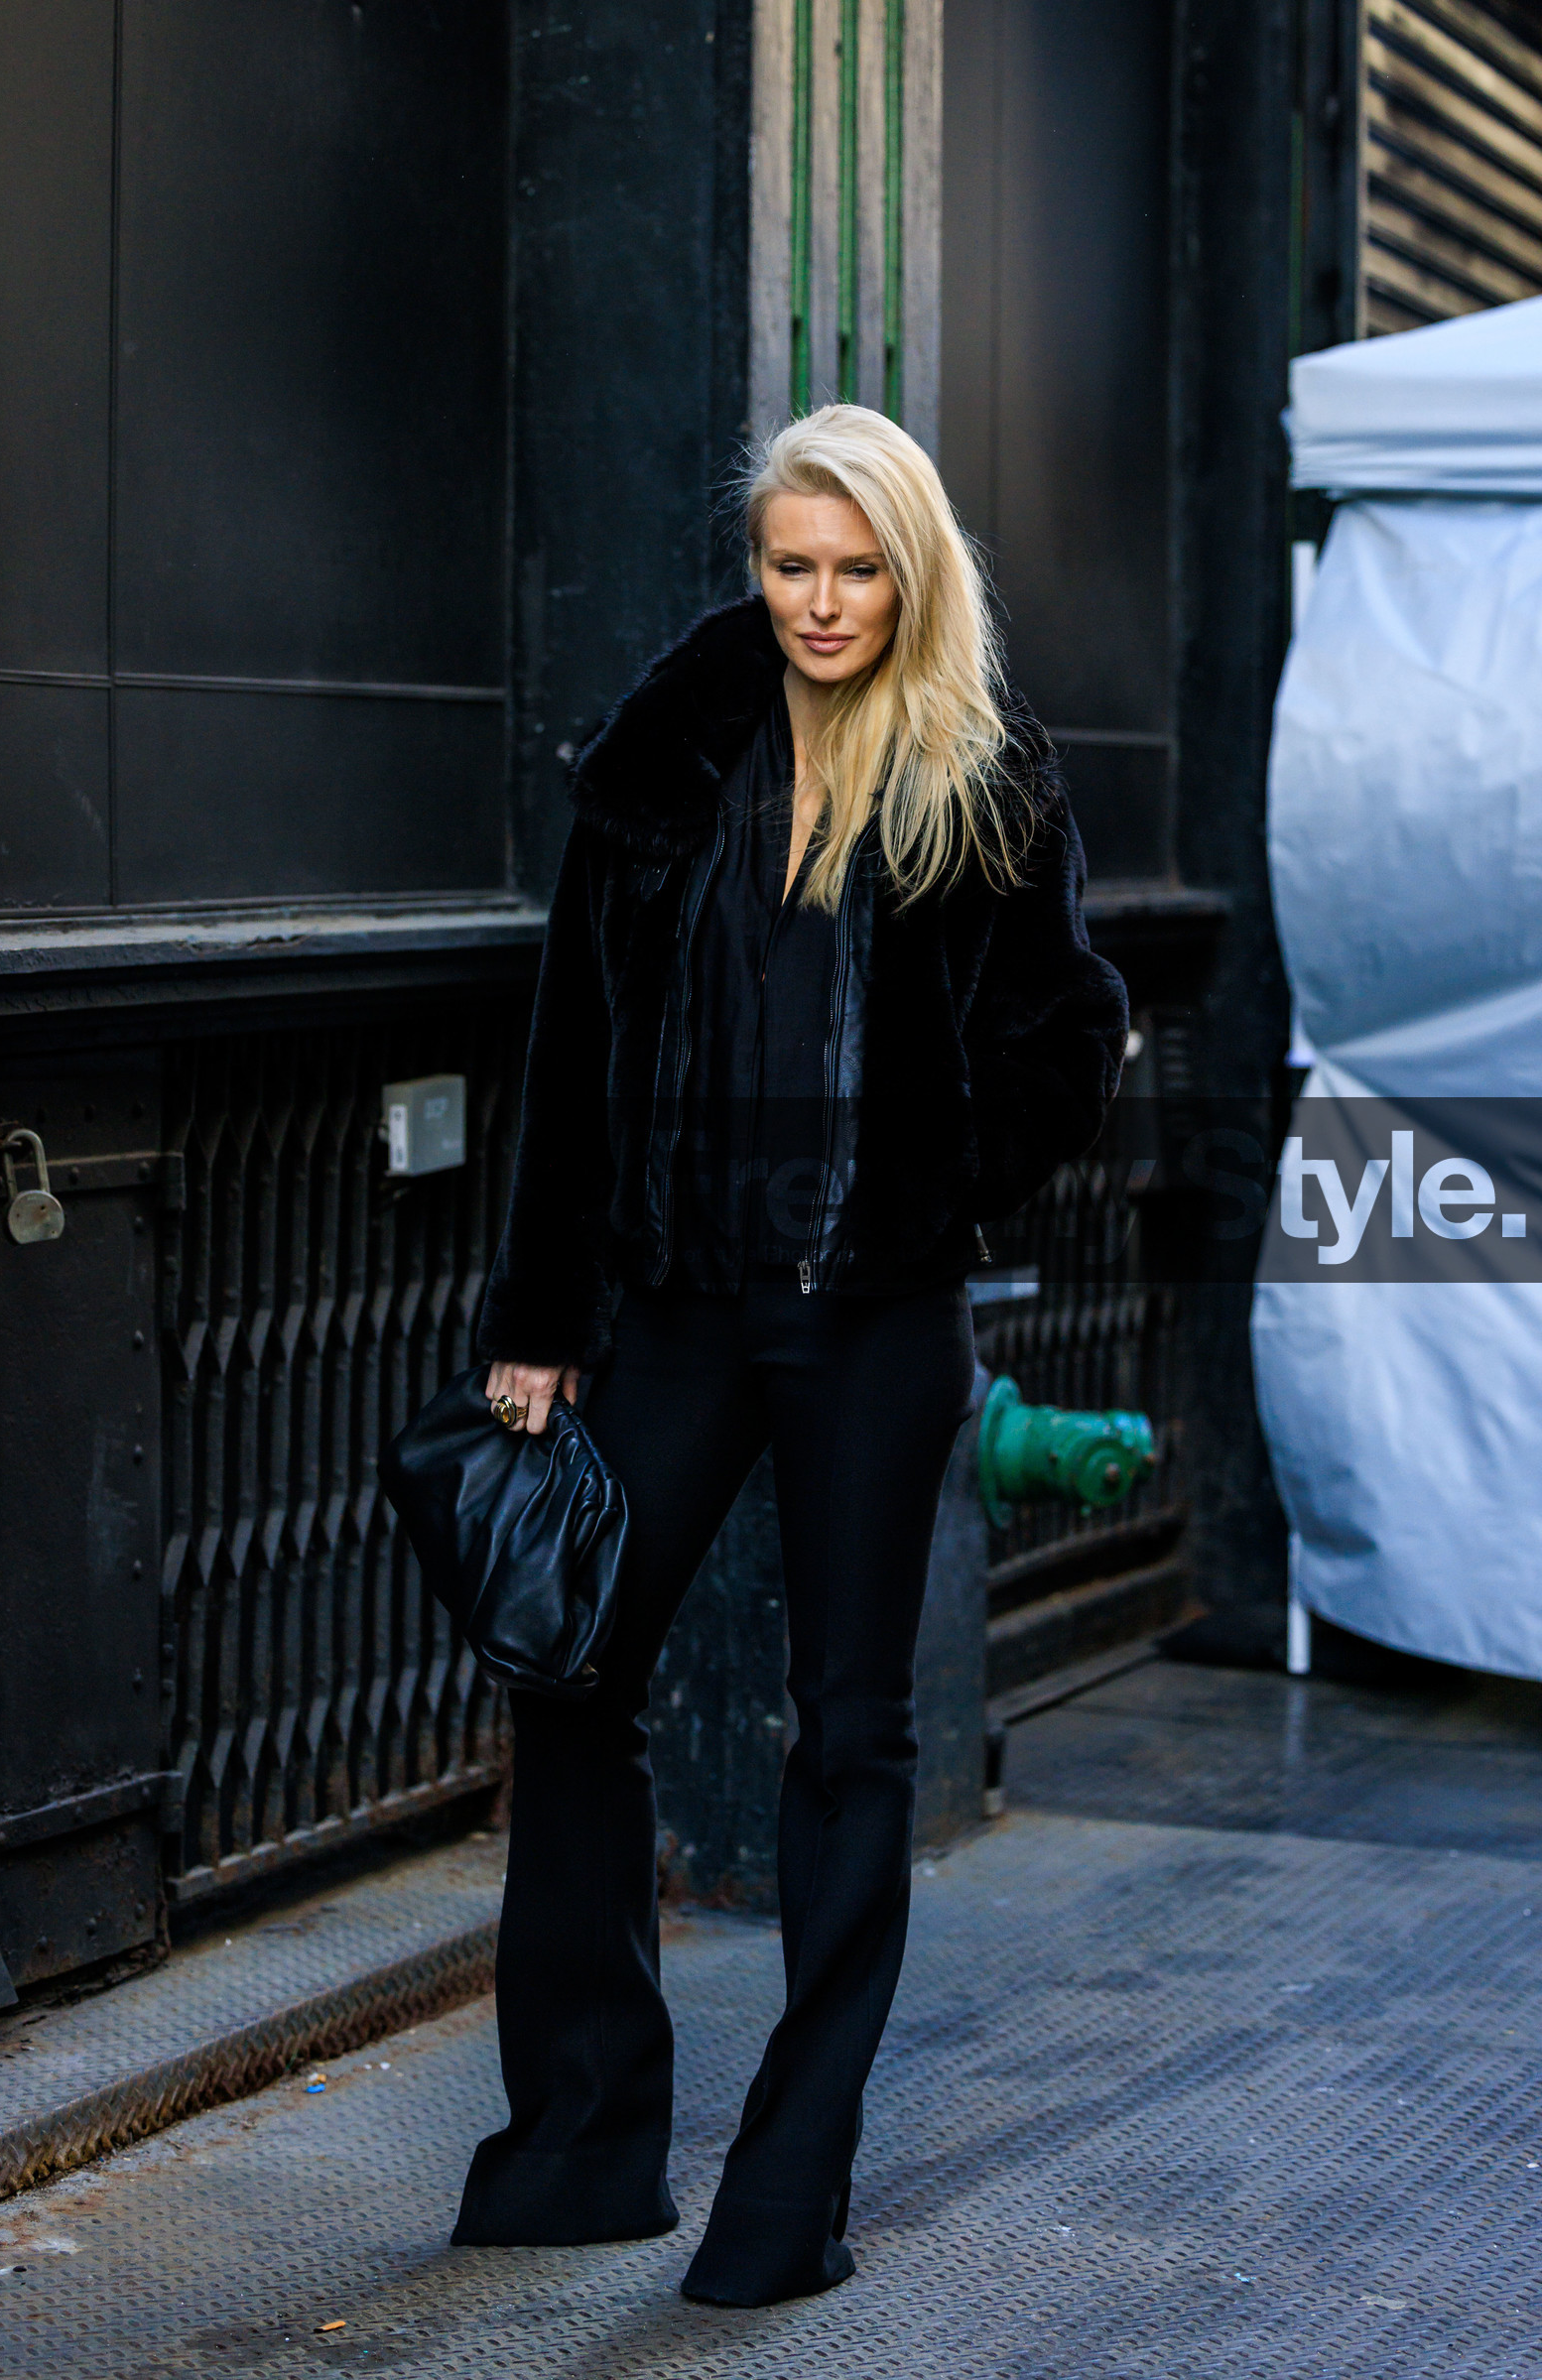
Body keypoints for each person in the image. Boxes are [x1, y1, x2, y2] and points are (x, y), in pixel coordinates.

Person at [451, 404, 1127, 2306]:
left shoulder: (982, 773)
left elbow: (1076, 1029)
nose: (821, 603)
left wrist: (941, 1188)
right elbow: (573, 1054)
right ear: (754, 565)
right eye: (789, 564)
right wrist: (537, 1322)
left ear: (910, 572)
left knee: (850, 1737)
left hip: (869, 1321)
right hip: (670, 1306)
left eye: (856, 568)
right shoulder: (669, 767)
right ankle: (587, 2139)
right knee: (571, 1664)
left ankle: (784, 2189)